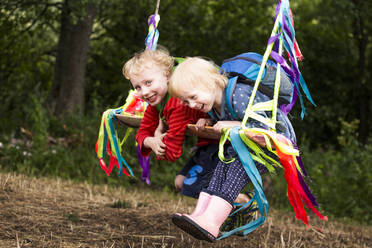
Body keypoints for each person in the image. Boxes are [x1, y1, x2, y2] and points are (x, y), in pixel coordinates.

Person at [168, 57, 296, 242]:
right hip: (244, 146)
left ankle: (211, 223)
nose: (193, 105)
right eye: (186, 101)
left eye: (193, 97)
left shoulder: (239, 94)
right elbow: (228, 120)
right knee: (221, 168)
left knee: (235, 173)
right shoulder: (214, 104)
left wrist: (231, 124)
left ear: (211, 82)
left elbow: (263, 127)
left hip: (269, 145)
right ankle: (200, 215)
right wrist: (210, 121)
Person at [122, 48, 250, 204]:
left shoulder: (176, 104)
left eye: (148, 82)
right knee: (180, 181)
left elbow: (171, 153)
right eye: (138, 87)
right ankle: (226, 205)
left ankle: (241, 201)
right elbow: (143, 132)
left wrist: (158, 138)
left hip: (220, 145)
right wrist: (152, 141)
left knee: (190, 186)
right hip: (205, 145)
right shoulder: (156, 103)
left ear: (167, 75)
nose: (145, 91)